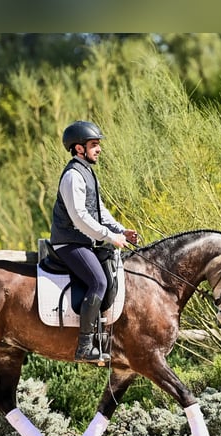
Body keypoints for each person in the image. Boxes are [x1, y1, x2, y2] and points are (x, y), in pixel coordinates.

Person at [50, 120, 139, 363]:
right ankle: (85, 346)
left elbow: (99, 209)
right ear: (79, 148)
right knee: (98, 282)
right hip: (69, 242)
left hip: (84, 242)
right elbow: (79, 217)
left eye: (98, 145)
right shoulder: (72, 176)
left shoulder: (87, 172)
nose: (99, 149)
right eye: (94, 145)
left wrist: (122, 230)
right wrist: (110, 237)